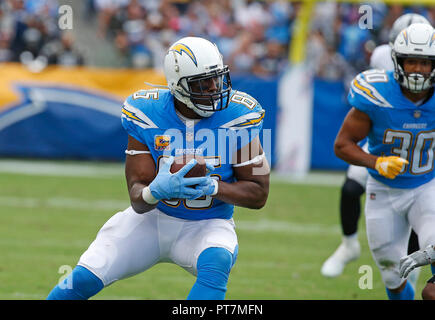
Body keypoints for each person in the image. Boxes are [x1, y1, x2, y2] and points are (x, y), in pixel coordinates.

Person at [46, 36, 270, 300]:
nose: (213, 88)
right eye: (202, 82)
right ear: (178, 87)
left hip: (208, 223)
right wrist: (156, 191)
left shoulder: (242, 116)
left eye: (217, 78)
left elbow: (259, 194)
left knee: (217, 260)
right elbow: (137, 199)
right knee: (83, 278)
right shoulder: (146, 111)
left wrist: (213, 186)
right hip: (150, 221)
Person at [321, 13, 431, 280]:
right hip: (380, 164)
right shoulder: (378, 84)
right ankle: (348, 245)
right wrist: (376, 161)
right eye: (410, 60)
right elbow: (343, 143)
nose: (417, 68)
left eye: (424, 62)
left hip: (424, 172)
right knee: (392, 276)